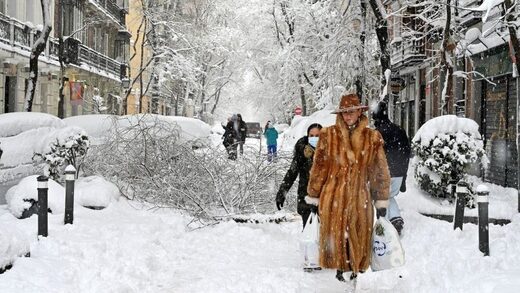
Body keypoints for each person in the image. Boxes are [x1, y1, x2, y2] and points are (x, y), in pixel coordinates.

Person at [306, 93, 390, 286]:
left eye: (351, 112)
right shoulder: (328, 135)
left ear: (360, 111)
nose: (347, 116)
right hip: (332, 197)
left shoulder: (372, 137)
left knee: (358, 241)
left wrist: (381, 199)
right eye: (344, 113)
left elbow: (379, 170)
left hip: (361, 198)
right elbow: (319, 168)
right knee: (336, 243)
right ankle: (340, 275)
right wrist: (313, 195)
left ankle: (353, 276)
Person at [372, 101, 411, 235]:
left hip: (384, 173)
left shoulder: (377, 133)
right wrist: (404, 176)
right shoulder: (399, 130)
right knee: (388, 196)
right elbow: (406, 153)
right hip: (399, 172)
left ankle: (385, 224)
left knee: (382, 197)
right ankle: (395, 219)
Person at [275, 123, 323, 227]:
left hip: (325, 199)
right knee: (309, 232)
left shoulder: (329, 152)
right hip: (305, 197)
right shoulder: (302, 153)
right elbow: (292, 173)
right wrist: (282, 192)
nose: (314, 138)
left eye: (317, 136)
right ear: (307, 136)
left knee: (325, 236)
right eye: (312, 135)